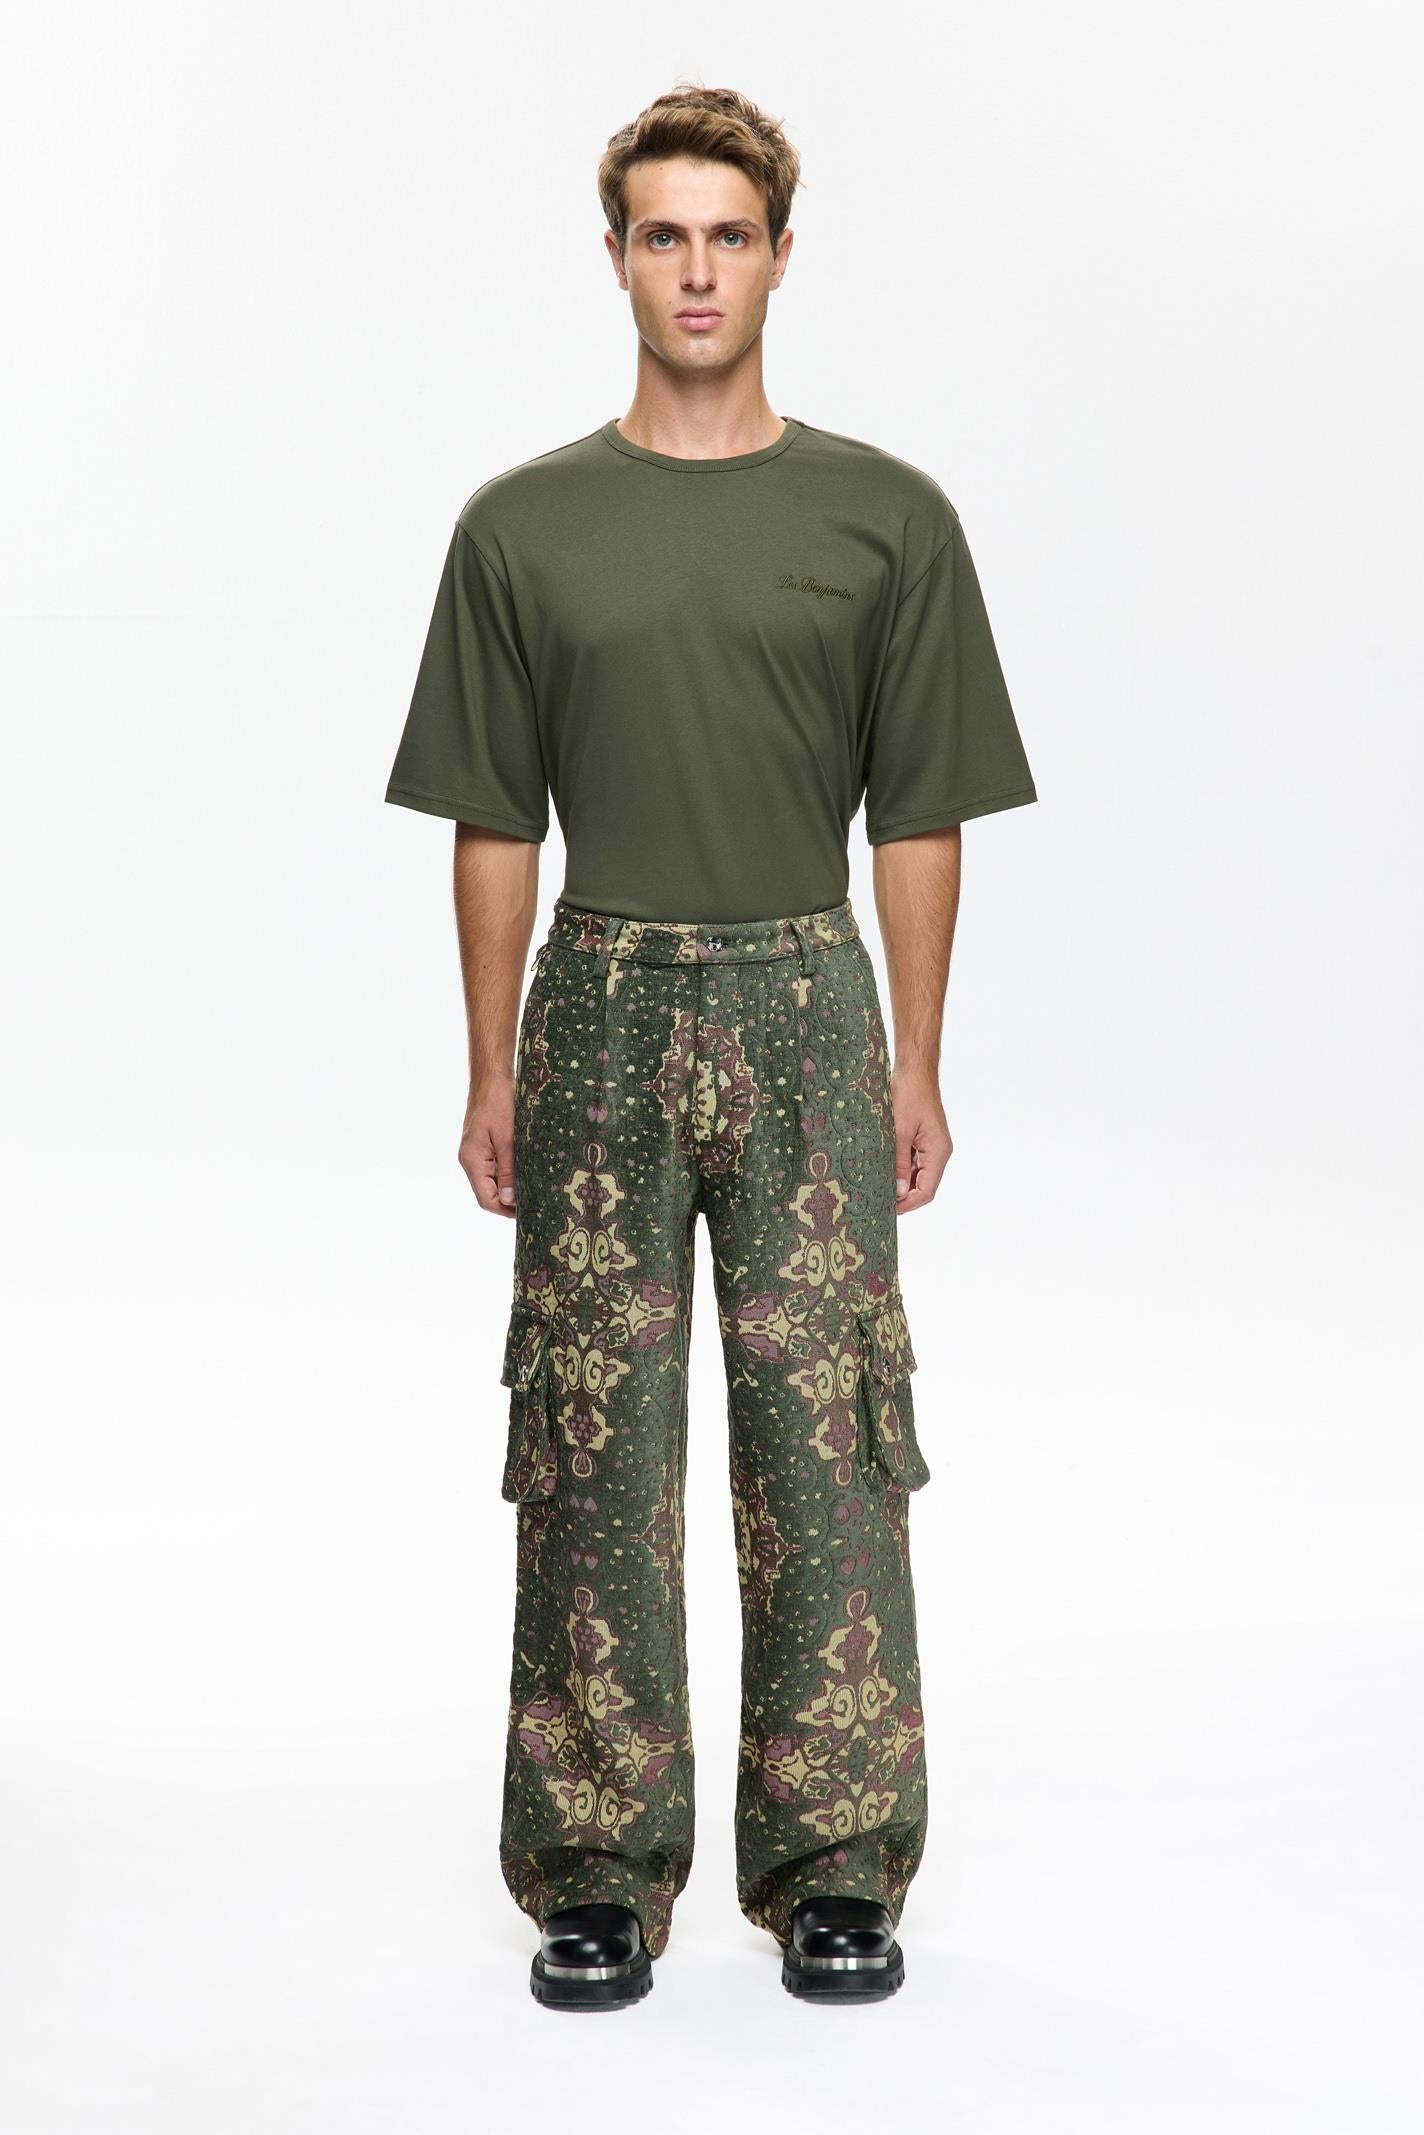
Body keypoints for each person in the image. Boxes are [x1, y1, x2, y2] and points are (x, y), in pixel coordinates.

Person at [384, 82, 1037, 2011]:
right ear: (615, 258)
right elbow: (491, 818)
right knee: (588, 1435)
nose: (695, 270)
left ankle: (835, 1864)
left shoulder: (886, 516)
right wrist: (491, 1067)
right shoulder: (522, 525)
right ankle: (595, 1865)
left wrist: (916, 1060)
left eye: (727, 236)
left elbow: (919, 813)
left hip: (806, 995)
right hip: (595, 995)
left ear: (778, 256)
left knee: (829, 1432)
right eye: (662, 235)